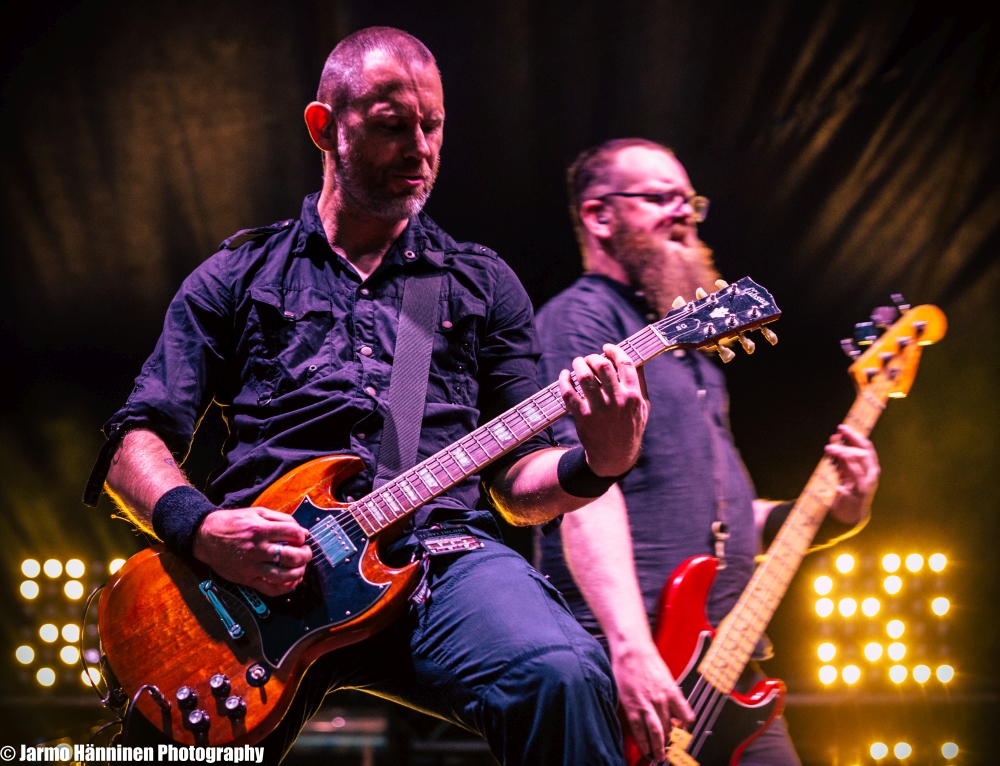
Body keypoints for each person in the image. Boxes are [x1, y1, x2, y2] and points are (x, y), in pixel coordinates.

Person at [85, 30, 650, 765]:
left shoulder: (475, 282)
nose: (420, 148)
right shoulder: (238, 275)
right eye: (392, 126)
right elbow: (134, 440)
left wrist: (599, 462)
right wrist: (204, 530)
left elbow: (518, 489)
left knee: (563, 674)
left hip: (439, 561)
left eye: (433, 125)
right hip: (256, 583)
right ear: (325, 127)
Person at [535, 138, 881, 765]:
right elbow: (579, 495)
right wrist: (631, 648)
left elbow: (727, 512)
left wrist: (835, 510)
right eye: (659, 198)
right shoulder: (581, 322)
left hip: (727, 666)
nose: (684, 213)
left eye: (689, 200)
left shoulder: (685, 344)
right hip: (637, 665)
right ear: (599, 216)